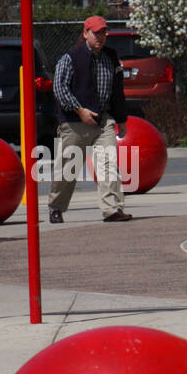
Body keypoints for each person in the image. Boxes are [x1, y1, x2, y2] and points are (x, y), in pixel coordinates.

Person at [48, 15, 132, 223]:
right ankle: (56, 207)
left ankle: (112, 209)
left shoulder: (111, 57)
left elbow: (117, 91)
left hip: (103, 120)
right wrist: (79, 110)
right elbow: (59, 88)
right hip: (75, 121)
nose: (100, 37)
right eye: (95, 33)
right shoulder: (70, 57)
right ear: (85, 34)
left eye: (103, 33)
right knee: (69, 166)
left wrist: (120, 119)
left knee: (108, 163)